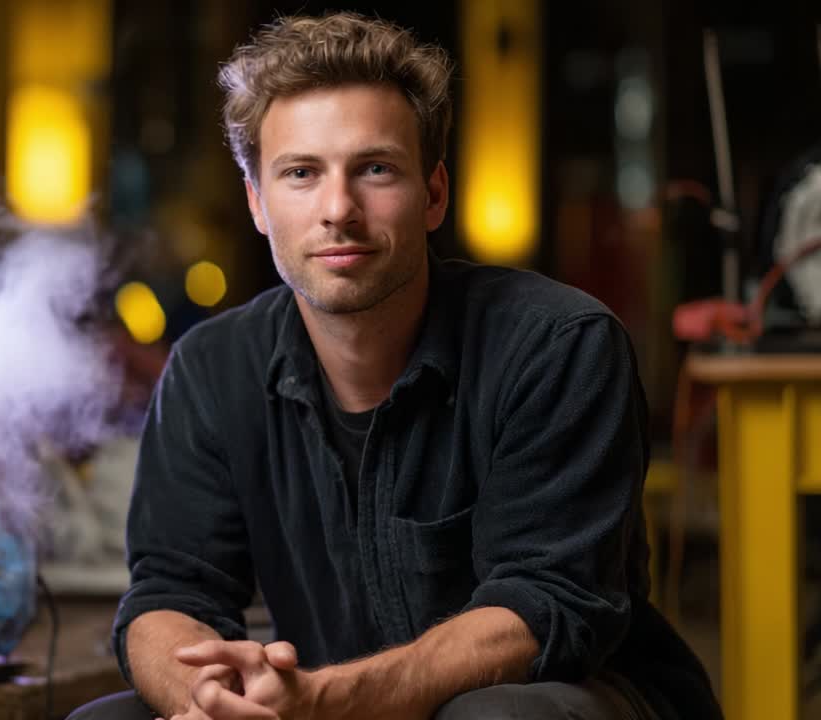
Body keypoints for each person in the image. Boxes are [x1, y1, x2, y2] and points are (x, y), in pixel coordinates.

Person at [69, 12, 720, 720]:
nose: (338, 210)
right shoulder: (210, 368)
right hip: (325, 702)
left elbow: (545, 606)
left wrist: (325, 701)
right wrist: (209, 699)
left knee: (494, 718)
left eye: (375, 169)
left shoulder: (558, 345)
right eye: (301, 174)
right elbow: (169, 595)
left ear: (434, 193)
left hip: (571, 697)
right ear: (257, 202)